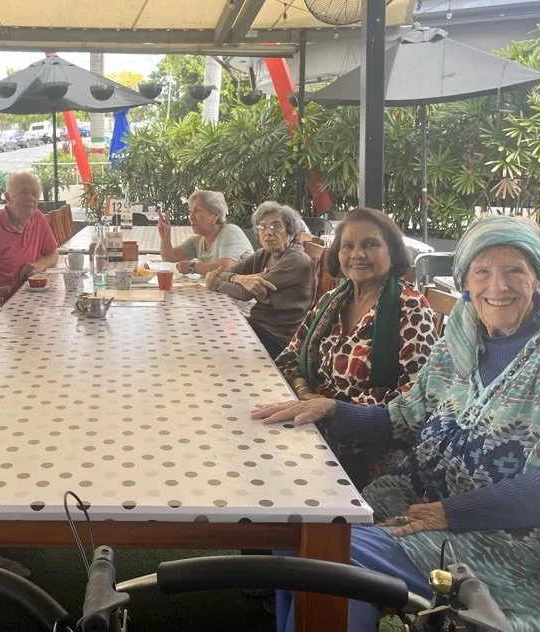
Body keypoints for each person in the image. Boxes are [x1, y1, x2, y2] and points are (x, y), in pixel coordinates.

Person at [253, 215, 540, 632]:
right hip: (426, 504)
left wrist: (449, 512)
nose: (497, 286)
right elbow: (403, 418)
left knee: (333, 559)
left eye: (514, 270)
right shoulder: (461, 341)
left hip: (515, 544)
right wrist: (331, 409)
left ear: (538, 278)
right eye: (482, 271)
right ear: (465, 282)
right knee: (292, 531)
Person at [273, 207, 436, 486]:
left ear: (392, 252)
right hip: (311, 426)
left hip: (364, 451)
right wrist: (305, 394)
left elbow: (415, 399)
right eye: (348, 246)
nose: (357, 254)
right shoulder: (335, 299)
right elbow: (290, 356)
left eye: (370, 244)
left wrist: (332, 410)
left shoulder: (410, 308)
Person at [205, 202, 315, 358]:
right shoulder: (264, 254)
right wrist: (238, 278)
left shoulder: (296, 260)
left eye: (276, 227)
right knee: (210, 329)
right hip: (259, 327)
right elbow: (225, 271)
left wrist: (215, 282)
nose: (268, 233)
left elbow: (245, 293)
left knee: (216, 344)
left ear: (291, 233)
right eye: (262, 227)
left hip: (279, 339)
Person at [0, 171, 59, 307]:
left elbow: (53, 254)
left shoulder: (38, 219)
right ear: (8, 197)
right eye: (24, 193)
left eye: (35, 194)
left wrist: (39, 265)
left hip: (27, 298)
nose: (31, 198)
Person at [157, 190, 254, 275]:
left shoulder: (230, 232)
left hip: (247, 292)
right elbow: (170, 257)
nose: (191, 217)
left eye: (198, 211)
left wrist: (193, 267)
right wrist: (165, 238)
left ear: (216, 215)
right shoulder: (198, 240)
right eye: (190, 211)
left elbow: (226, 267)